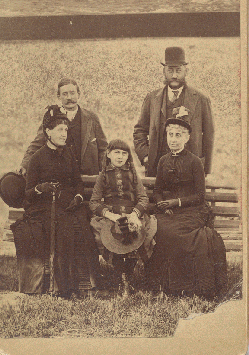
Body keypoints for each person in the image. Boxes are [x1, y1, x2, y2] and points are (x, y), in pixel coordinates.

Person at [10, 105, 100, 297]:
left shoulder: (69, 154)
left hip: (70, 205)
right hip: (46, 207)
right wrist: (39, 189)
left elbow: (77, 182)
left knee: (83, 227)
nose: (64, 134)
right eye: (59, 129)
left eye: (66, 130)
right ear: (48, 132)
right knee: (64, 229)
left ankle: (87, 285)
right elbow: (28, 194)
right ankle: (64, 287)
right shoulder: (37, 158)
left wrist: (77, 197)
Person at [145, 114, 227, 298]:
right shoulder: (163, 161)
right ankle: (164, 285)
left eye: (177, 136)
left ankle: (188, 286)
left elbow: (200, 196)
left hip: (193, 210)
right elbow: (157, 190)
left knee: (179, 233)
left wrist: (177, 202)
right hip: (169, 210)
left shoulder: (195, 161)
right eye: (170, 135)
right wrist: (161, 204)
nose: (173, 140)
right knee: (161, 228)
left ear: (186, 138)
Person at [0, 78, 108, 209]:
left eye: (72, 93)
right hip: (63, 178)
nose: (69, 97)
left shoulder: (91, 118)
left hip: (88, 180)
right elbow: (36, 144)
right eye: (65, 94)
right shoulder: (51, 117)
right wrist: (24, 164)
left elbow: (103, 148)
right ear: (59, 96)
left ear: (79, 94)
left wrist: (106, 171)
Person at [133, 46, 214, 177]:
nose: (174, 75)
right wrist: (146, 156)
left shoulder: (200, 99)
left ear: (186, 71)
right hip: (157, 169)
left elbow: (209, 135)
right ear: (164, 71)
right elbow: (139, 131)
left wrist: (204, 168)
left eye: (178, 70)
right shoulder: (152, 98)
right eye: (170, 70)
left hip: (189, 171)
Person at [89, 139, 157, 289]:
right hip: (112, 217)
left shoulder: (132, 174)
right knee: (114, 236)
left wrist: (135, 213)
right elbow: (94, 202)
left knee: (140, 234)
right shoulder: (104, 175)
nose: (120, 156)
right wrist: (110, 215)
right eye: (116, 153)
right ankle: (120, 277)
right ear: (108, 154)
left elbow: (143, 198)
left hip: (132, 214)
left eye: (124, 153)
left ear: (128, 156)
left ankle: (130, 275)